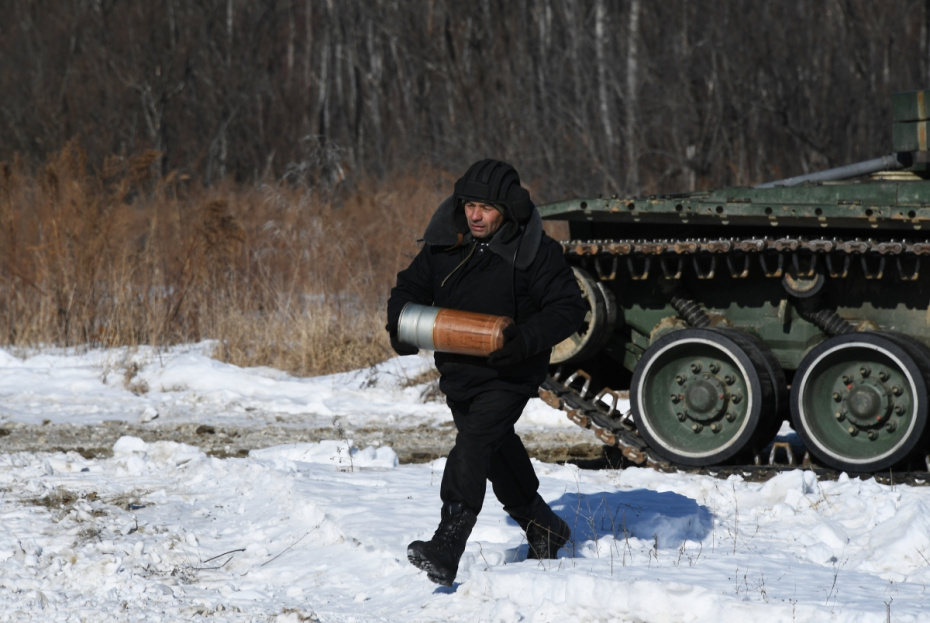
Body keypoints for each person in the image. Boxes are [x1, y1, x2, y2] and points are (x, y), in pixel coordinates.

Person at [385, 159, 586, 586]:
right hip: (458, 371)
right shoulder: (445, 243)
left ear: (508, 209)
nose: (475, 215)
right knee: (495, 451)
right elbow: (408, 289)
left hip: (509, 371)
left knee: (474, 443)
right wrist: (400, 324)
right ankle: (544, 527)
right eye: (470, 205)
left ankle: (448, 540)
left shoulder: (536, 253)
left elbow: (570, 307)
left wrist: (526, 340)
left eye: (487, 208)